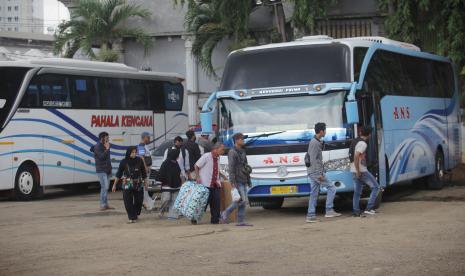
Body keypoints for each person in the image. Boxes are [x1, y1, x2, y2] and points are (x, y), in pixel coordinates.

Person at [306, 122, 341, 223]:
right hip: (316, 173)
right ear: (321, 131)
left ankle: (311, 215)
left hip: (313, 172)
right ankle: (329, 210)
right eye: (325, 130)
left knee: (314, 194)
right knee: (332, 188)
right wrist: (319, 174)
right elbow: (312, 160)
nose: (325, 132)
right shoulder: (315, 143)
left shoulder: (315, 141)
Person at [221, 133, 252, 226]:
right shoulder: (232, 152)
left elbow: (246, 167)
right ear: (237, 140)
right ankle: (225, 214)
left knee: (242, 201)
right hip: (237, 180)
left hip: (243, 178)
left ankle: (240, 221)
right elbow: (231, 168)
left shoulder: (242, 151)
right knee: (242, 201)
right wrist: (232, 182)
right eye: (242, 139)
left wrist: (248, 180)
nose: (243, 141)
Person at [112, 146, 148, 223]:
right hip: (127, 183)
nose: (134, 154)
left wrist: (146, 183)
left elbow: (144, 173)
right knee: (128, 201)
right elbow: (118, 174)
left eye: (135, 152)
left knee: (139, 200)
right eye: (132, 152)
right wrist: (114, 185)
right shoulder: (123, 162)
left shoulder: (139, 160)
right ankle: (132, 217)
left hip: (138, 183)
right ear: (128, 153)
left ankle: (136, 213)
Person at [351, 126, 380, 216]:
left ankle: (356, 211)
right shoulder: (363, 144)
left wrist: (355, 170)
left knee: (357, 192)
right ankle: (369, 208)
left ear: (360, 133)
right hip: (361, 170)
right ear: (369, 134)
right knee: (376, 187)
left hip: (353, 169)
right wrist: (358, 170)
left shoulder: (355, 141)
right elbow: (356, 156)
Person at [194, 143, 225, 224]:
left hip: (216, 184)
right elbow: (196, 166)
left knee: (216, 203)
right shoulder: (206, 156)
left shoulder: (218, 158)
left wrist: (223, 176)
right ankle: (195, 218)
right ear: (216, 149)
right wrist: (197, 177)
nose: (223, 151)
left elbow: (216, 169)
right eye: (222, 149)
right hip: (205, 184)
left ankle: (215, 220)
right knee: (203, 204)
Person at [91, 131, 114, 211]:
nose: (108, 139)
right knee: (105, 187)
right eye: (107, 138)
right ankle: (102, 204)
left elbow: (108, 158)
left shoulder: (106, 145)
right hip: (101, 170)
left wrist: (110, 169)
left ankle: (106, 204)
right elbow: (101, 157)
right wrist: (107, 149)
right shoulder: (97, 147)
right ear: (102, 138)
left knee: (106, 188)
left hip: (107, 169)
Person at [158, 148, 183, 219]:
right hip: (166, 184)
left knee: (174, 200)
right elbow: (161, 174)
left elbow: (179, 173)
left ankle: (172, 215)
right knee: (166, 198)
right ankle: (161, 211)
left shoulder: (176, 163)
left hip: (176, 185)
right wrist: (162, 181)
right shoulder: (165, 163)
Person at [137, 132, 154, 210]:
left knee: (146, 186)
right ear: (144, 137)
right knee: (145, 186)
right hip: (145, 168)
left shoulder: (145, 146)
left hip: (147, 167)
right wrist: (145, 167)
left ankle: (145, 201)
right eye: (148, 137)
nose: (149, 139)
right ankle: (144, 202)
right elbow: (142, 157)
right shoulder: (141, 146)